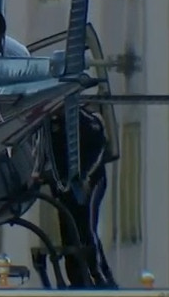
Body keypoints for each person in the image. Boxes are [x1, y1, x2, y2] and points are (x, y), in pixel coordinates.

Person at [50, 106, 117, 289]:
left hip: (90, 182)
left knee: (87, 227)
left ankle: (100, 276)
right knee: (68, 229)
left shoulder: (84, 120)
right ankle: (76, 279)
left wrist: (85, 175)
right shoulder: (49, 123)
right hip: (64, 185)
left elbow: (100, 145)